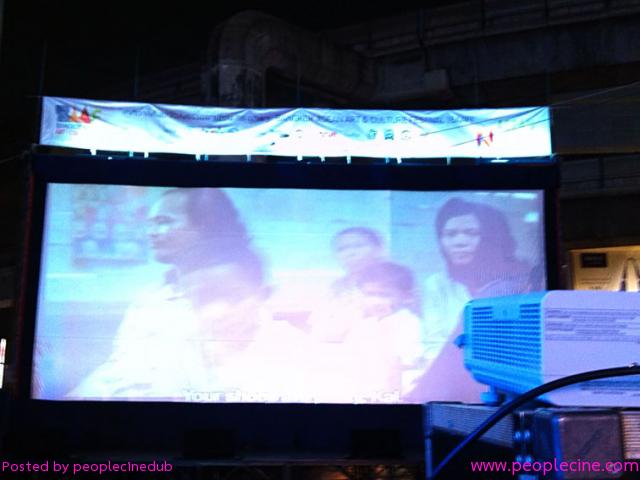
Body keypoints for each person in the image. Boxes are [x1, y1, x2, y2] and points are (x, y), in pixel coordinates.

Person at [67, 187, 278, 400]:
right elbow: (117, 368)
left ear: (205, 225)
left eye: (164, 221)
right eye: (151, 223)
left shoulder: (249, 301)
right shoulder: (149, 299)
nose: (151, 232)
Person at [423, 197, 530, 342]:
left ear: (491, 239)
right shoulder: (436, 285)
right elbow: (433, 344)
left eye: (471, 233)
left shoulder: (520, 282)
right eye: (450, 234)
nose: (460, 242)